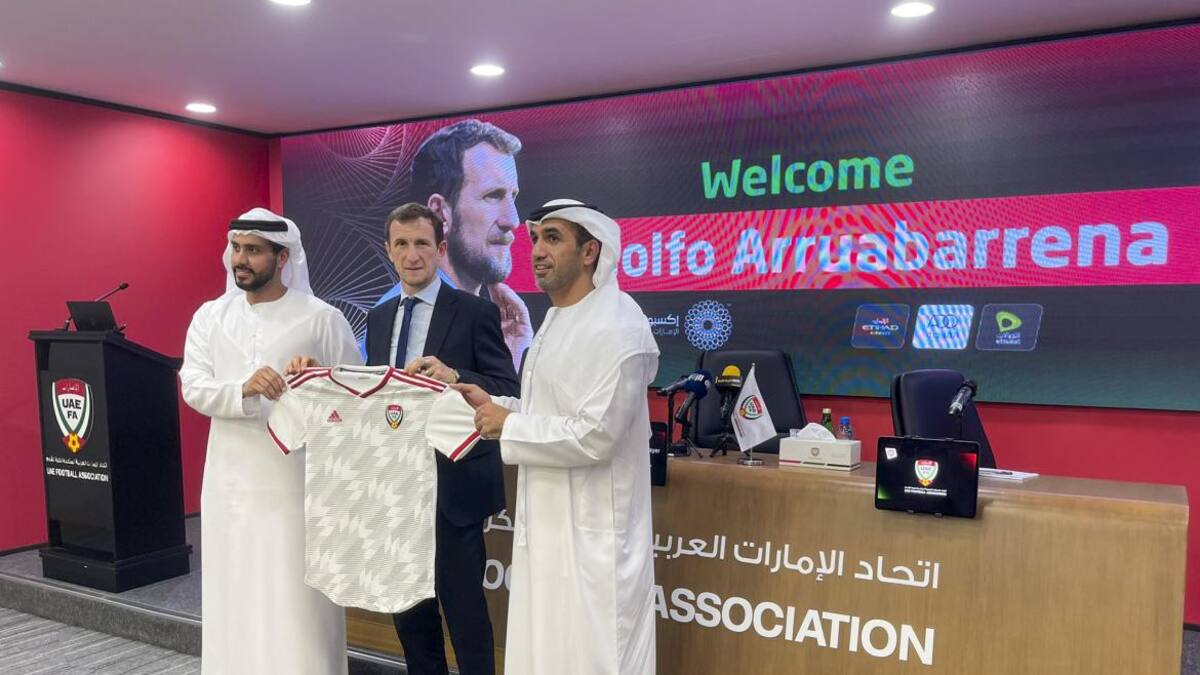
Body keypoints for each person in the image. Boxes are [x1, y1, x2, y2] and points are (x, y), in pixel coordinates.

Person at [291, 202, 518, 675]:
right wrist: (320, 374)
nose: (412, 255)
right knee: (409, 612)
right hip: (393, 488)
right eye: (401, 244)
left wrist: (455, 374)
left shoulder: (475, 311)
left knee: (465, 612)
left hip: (452, 486)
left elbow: (508, 389)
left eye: (421, 244)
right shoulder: (379, 316)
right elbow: (373, 392)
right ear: (388, 252)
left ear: (439, 250)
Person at [456, 199, 660, 675]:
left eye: (553, 238)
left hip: (594, 541)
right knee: (542, 651)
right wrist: (492, 404)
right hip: (546, 526)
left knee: (592, 656)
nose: (538, 251)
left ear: (590, 251)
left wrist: (510, 425)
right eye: (536, 239)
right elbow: (547, 413)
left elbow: (596, 435)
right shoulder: (554, 318)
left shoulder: (619, 326)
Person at [179, 208, 361, 675]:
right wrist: (243, 388)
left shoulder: (323, 319)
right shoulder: (210, 316)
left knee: (294, 603)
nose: (240, 259)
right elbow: (193, 385)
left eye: (253, 250)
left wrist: (316, 379)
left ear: (283, 257)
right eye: (236, 248)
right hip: (228, 485)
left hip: (294, 487)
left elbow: (355, 397)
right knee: (233, 594)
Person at [392, 119, 532, 372]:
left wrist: (513, 357)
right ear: (439, 212)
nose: (513, 220)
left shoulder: (485, 316)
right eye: (493, 195)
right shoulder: (395, 314)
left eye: (513, 196)